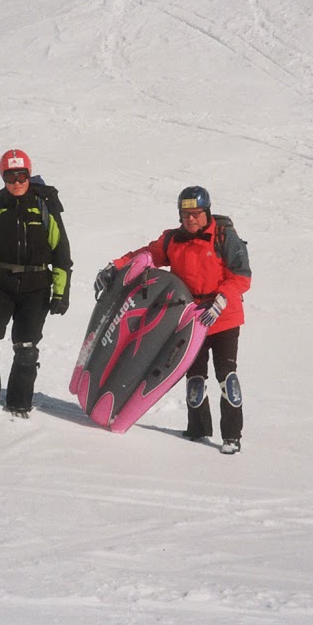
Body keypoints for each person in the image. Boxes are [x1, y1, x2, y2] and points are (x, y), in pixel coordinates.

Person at [94, 186, 251, 454]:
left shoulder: (224, 237)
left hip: (223, 317)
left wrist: (221, 299)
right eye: (185, 214)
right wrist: (118, 266)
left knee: (227, 378)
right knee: (195, 379)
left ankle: (232, 437)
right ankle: (198, 429)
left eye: (196, 213)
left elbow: (242, 276)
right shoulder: (173, 240)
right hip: (192, 318)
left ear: (207, 212)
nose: (191, 219)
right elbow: (149, 254)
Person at [0, 149, 73, 423]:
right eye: (10, 175)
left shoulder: (44, 206)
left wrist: (61, 292)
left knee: (26, 347)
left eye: (22, 175)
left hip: (36, 287)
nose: (17, 181)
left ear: (29, 174)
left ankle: (19, 405)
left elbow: (61, 254)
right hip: (0, 285)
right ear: (3, 176)